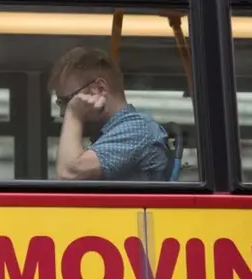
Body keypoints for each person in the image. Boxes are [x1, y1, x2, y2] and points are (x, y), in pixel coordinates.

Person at [49, 46, 169, 181]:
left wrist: (74, 115)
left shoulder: (137, 129)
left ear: (100, 89)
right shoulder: (108, 136)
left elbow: (69, 173)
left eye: (67, 101)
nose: (62, 112)